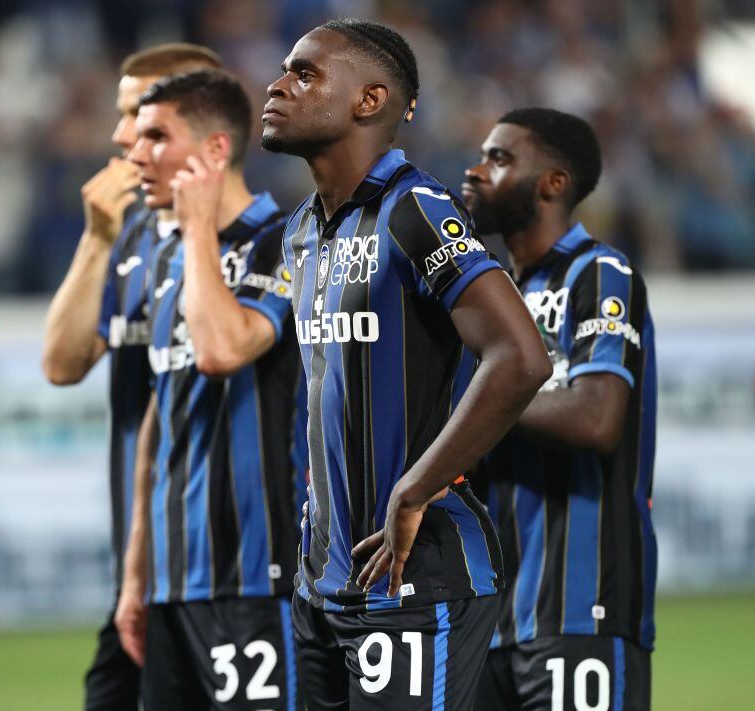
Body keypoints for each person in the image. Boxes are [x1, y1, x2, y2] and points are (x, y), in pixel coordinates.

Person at [261, 19, 553, 710]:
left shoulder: (414, 208)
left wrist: (415, 488)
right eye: (283, 70)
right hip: (321, 586)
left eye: (305, 73)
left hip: (417, 576)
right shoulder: (302, 229)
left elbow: (520, 356)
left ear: (369, 100)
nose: (277, 85)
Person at [115, 70, 305, 710]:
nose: (136, 154)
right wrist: (136, 575)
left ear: (216, 151)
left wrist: (198, 229)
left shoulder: (285, 242)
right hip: (173, 585)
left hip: (255, 575)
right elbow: (157, 421)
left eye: (156, 138)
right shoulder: (168, 262)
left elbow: (224, 350)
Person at [39, 43, 221, 710]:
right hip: (140, 570)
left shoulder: (251, 240)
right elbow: (61, 364)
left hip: (227, 576)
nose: (120, 136)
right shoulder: (130, 238)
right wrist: (96, 238)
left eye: (138, 116)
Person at [464, 108, 657, 711]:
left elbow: (598, 418)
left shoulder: (597, 273)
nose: (475, 171)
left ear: (552, 183)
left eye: (499, 159)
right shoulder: (491, 298)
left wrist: (478, 400)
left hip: (582, 606)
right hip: (487, 620)